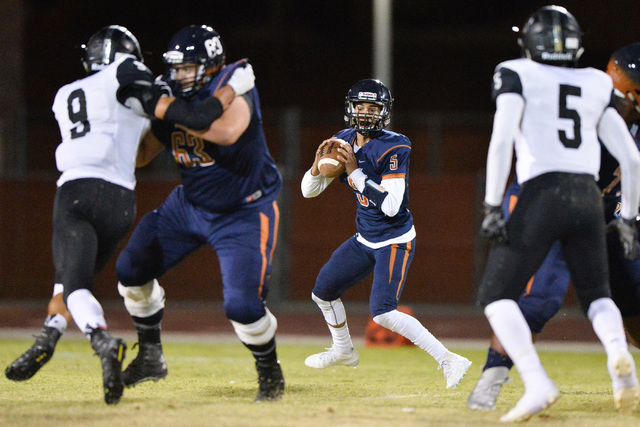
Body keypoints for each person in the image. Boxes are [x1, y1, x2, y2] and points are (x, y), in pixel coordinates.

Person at [4, 25, 255, 404]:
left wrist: (228, 89)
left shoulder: (64, 95)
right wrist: (230, 88)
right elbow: (168, 126)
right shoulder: (133, 78)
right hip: (120, 199)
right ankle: (49, 335)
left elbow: (168, 117)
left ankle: (101, 340)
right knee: (72, 281)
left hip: (75, 190)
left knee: (74, 283)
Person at [477, 5, 640, 422]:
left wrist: (492, 204)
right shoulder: (592, 85)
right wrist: (629, 219)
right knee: (572, 297)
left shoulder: (519, 73)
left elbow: (502, 140)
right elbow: (631, 160)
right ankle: (617, 364)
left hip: (548, 195)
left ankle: (537, 383)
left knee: (497, 294)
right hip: (587, 200)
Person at [111, 25, 285, 403]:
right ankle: (151, 355)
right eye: (176, 68)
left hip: (245, 210)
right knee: (130, 270)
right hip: (189, 205)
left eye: (188, 68)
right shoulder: (172, 93)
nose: (179, 75)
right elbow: (142, 156)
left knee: (243, 306)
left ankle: (269, 371)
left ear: (209, 67)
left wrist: (166, 108)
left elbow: (225, 131)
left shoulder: (233, 82)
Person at [300, 78, 472, 389]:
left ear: (384, 112)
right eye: (360, 107)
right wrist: (315, 167)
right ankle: (343, 350)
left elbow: (392, 206)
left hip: (394, 239)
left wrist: (355, 173)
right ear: (350, 109)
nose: (365, 113)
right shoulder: (342, 140)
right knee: (322, 292)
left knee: (383, 313)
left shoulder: (396, 145)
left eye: (373, 107)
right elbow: (308, 192)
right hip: (365, 238)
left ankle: (449, 359)